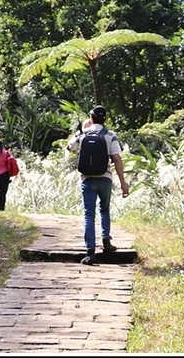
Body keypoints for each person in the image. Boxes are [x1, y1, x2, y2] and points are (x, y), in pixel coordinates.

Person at [66, 105, 130, 265]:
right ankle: (106, 242)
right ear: (105, 120)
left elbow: (70, 148)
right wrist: (123, 183)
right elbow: (116, 158)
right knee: (105, 209)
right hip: (106, 178)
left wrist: (81, 130)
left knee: (89, 214)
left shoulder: (83, 134)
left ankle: (90, 252)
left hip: (87, 179)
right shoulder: (110, 135)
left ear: (91, 118)